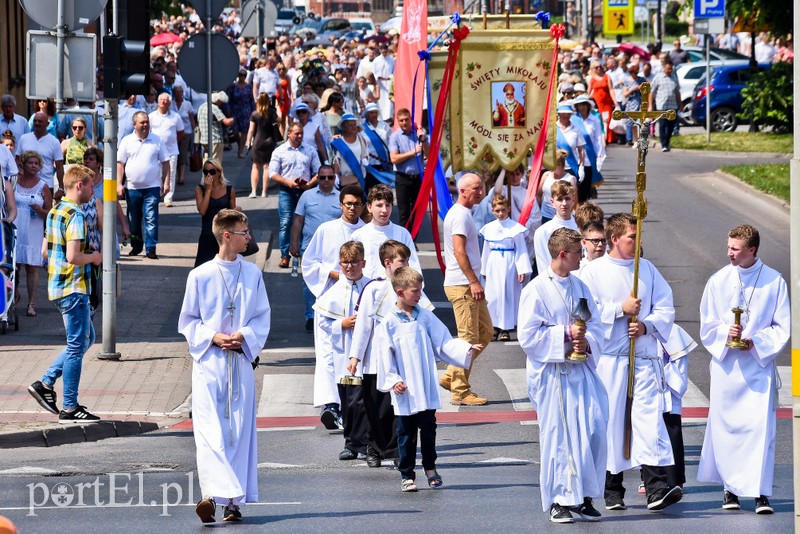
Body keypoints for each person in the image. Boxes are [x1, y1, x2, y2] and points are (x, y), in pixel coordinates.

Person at [579, 213, 682, 512]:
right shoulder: (594, 272)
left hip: (643, 360)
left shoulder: (647, 270)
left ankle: (657, 488)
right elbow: (584, 309)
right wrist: (618, 310)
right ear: (614, 238)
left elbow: (665, 306)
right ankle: (612, 490)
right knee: (612, 424)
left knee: (648, 422)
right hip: (610, 361)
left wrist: (647, 325)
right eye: (631, 236)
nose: (637, 241)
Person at [178, 209, 271, 524]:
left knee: (238, 431)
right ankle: (209, 495)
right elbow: (188, 321)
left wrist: (244, 335)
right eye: (245, 232)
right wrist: (213, 336)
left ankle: (232, 502)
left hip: (240, 361)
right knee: (210, 431)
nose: (249, 237)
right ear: (227, 235)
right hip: (209, 364)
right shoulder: (200, 275)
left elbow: (261, 316)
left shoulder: (253, 274)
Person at [697, 224, 790, 515]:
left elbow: (782, 326)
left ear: (752, 250)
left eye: (735, 249)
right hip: (727, 368)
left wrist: (756, 341)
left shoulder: (774, 282)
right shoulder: (718, 280)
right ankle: (730, 489)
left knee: (760, 431)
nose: (729, 254)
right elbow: (707, 324)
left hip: (757, 368)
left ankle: (761, 493)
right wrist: (728, 332)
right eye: (728, 247)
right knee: (727, 430)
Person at [518, 228, 608, 524]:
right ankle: (559, 500)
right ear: (562, 255)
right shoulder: (537, 289)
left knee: (593, 429)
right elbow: (528, 337)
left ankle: (582, 497)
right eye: (578, 252)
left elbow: (596, 326)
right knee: (560, 438)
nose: (583, 256)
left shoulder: (580, 285)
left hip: (581, 370)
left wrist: (587, 342)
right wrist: (565, 335)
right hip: (554, 373)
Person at [375, 267, 479, 492]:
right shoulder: (389, 323)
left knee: (429, 429)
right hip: (405, 388)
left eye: (420, 290)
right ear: (400, 292)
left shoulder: (424, 316)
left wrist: (466, 348)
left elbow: (442, 340)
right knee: (406, 434)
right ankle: (406, 474)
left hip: (425, 384)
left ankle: (430, 467)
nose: (419, 294)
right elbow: (384, 355)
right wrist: (393, 380)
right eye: (415, 291)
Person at [348, 240, 433, 468]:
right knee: (376, 408)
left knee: (399, 408)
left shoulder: (411, 288)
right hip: (375, 359)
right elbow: (364, 325)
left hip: (404, 360)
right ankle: (374, 447)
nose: (406, 264)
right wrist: (355, 356)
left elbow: (426, 319)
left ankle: (398, 450)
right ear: (388, 263)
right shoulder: (374, 289)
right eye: (402, 260)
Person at [27, 164, 102, 422]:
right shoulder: (76, 214)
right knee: (76, 345)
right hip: (73, 287)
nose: (93, 190)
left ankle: (46, 383)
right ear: (79, 185)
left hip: (57, 286)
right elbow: (73, 256)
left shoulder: (55, 210)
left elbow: (45, 252)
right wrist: (94, 256)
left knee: (86, 339)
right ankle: (70, 406)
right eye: (91, 185)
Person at [303, 185, 365, 428]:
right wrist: (333, 274)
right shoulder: (326, 229)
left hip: (360, 300)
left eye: (356, 204)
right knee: (328, 355)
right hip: (331, 300)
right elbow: (309, 264)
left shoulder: (367, 232)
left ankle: (357, 405)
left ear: (363, 206)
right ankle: (331, 405)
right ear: (340, 205)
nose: (352, 208)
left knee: (356, 353)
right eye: (348, 203)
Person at [313, 241, 370, 461]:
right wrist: (342, 324)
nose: (349, 267)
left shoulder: (371, 287)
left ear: (363, 263)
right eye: (345, 262)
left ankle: (368, 442)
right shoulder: (334, 292)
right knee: (349, 399)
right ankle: (351, 442)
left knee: (366, 399)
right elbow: (324, 323)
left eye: (354, 262)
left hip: (366, 352)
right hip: (344, 351)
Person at [440, 173, 493, 406]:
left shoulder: (463, 213)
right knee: (468, 338)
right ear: (462, 191)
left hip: (467, 282)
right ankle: (460, 390)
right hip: (462, 284)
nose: (480, 192)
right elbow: (459, 252)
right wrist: (473, 280)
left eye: (481, 187)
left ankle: (451, 375)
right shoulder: (460, 216)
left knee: (485, 332)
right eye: (475, 188)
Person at [289, 164, 341, 329]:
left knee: (332, 281)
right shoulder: (307, 196)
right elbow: (298, 221)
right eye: (323, 177)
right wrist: (293, 243)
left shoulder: (341, 198)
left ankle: (330, 312)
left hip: (334, 249)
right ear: (317, 178)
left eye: (330, 177)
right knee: (309, 281)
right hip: (309, 247)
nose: (326, 180)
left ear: (334, 178)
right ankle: (311, 316)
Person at [117, 111, 170, 260]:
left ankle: (151, 248)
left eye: (147, 122)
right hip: (132, 188)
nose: (146, 125)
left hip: (152, 187)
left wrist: (166, 182)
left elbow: (166, 162)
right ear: (135, 124)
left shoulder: (157, 140)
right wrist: (119, 184)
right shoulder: (127, 141)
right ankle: (136, 245)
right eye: (142, 122)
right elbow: (120, 163)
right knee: (133, 219)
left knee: (151, 217)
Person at [268, 122, 320, 268]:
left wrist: (309, 184)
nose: (299, 136)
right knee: (286, 223)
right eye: (296, 133)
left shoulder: (310, 150)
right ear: (289, 133)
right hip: (287, 191)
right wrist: (287, 182)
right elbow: (272, 173)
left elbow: (318, 171)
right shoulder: (279, 151)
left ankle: (304, 254)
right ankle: (285, 256)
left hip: (305, 191)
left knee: (305, 223)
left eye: (301, 133)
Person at [479, 195, 531, 341]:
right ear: (493, 211)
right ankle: (494, 326)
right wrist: (484, 269)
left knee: (507, 295)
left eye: (503, 210)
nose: (500, 213)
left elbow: (521, 249)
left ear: (508, 209)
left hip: (509, 263)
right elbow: (486, 250)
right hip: (494, 263)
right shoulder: (489, 228)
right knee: (493, 296)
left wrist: (521, 269)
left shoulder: (515, 228)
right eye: (497, 210)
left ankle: (506, 328)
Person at [350, 184, 421, 281]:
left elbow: (413, 265)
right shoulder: (359, 235)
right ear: (369, 207)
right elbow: (351, 267)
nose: (384, 210)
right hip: (367, 289)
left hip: (397, 289)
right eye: (379, 205)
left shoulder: (402, 233)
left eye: (388, 205)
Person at [13, 151, 52, 317]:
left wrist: (41, 210)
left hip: (33, 228)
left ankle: (31, 304)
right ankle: (12, 297)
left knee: (32, 267)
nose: (33, 166)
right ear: (23, 163)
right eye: (30, 162)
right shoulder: (14, 182)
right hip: (15, 227)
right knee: (13, 266)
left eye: (37, 163)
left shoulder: (42, 186)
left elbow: (51, 212)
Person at [194, 159, 239, 267]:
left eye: (212, 172)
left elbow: (233, 215)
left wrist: (237, 210)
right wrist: (208, 190)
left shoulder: (229, 190)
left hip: (224, 236)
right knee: (203, 268)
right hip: (207, 234)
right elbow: (202, 211)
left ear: (219, 173)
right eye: (206, 172)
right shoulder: (200, 189)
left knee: (225, 267)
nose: (209, 175)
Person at [389, 108, 428, 228]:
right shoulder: (395, 137)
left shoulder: (418, 134)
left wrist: (424, 140)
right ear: (398, 121)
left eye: (406, 119)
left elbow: (430, 154)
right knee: (404, 213)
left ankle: (412, 239)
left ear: (411, 120)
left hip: (418, 178)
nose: (404, 123)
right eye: (401, 120)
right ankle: (405, 241)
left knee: (417, 212)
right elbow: (394, 159)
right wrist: (412, 153)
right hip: (403, 178)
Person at [533, 181, 579, 275]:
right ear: (552, 202)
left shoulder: (580, 228)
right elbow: (543, 265)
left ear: (573, 201)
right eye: (560, 199)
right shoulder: (542, 232)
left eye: (567, 199)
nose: (564, 203)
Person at [149, 93, 185, 208]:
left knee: (171, 173)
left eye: (166, 100)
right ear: (158, 101)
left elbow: (181, 132)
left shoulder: (175, 116)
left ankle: (168, 197)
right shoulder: (151, 116)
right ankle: (158, 194)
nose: (163, 102)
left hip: (171, 150)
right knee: (156, 173)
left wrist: (171, 140)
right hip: (155, 150)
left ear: (169, 103)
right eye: (161, 100)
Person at [17, 112, 64, 193]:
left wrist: (61, 188)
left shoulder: (54, 142)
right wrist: (20, 171)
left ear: (47, 124)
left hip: (47, 184)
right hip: (26, 184)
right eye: (35, 121)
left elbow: (59, 166)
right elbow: (17, 159)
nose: (37, 123)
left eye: (40, 121)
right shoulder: (24, 138)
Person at [245, 93, 280, 198]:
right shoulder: (272, 113)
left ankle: (254, 191)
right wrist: (275, 107)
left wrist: (248, 142)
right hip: (270, 141)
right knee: (266, 166)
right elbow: (280, 120)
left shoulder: (255, 114)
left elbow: (251, 130)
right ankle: (264, 191)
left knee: (255, 166)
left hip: (258, 141)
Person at [571, 95, 605, 203]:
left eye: (584, 104)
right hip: (575, 156)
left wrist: (600, 155)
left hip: (589, 156)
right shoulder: (572, 119)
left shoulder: (594, 120)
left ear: (588, 106)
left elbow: (598, 138)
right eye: (579, 105)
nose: (582, 107)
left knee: (585, 185)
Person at [648, 60, 681, 153]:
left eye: (671, 69)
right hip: (661, 106)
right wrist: (650, 105)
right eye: (668, 69)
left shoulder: (674, 77)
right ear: (664, 68)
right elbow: (652, 92)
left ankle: (667, 141)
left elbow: (677, 92)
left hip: (673, 106)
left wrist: (680, 104)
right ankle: (664, 144)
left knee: (671, 126)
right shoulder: (658, 78)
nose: (670, 70)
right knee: (662, 125)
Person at [538, 150, 577, 226]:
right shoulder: (546, 175)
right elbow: (538, 195)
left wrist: (565, 213)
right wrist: (538, 210)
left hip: (563, 218)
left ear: (560, 164)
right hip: (546, 215)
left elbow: (574, 202)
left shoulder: (570, 179)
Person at [331, 113, 369, 189]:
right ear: (344, 127)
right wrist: (335, 174)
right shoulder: (338, 143)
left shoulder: (362, 140)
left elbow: (365, 155)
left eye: (354, 125)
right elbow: (336, 161)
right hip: (345, 180)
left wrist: (364, 160)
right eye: (350, 125)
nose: (353, 127)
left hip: (359, 177)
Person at [361, 103, 392, 191]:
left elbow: (391, 142)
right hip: (370, 164)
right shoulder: (362, 128)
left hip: (384, 163)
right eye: (371, 113)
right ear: (367, 114)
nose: (374, 115)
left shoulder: (385, 125)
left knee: (384, 189)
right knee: (372, 190)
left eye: (375, 112)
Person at [197, 92, 234, 163]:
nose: (221, 104)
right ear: (218, 100)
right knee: (215, 163)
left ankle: (206, 174)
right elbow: (226, 121)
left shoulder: (202, 107)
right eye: (221, 102)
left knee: (206, 162)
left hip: (204, 140)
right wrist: (235, 118)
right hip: (215, 139)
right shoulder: (214, 108)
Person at [555, 103, 586, 189]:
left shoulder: (576, 129)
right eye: (563, 113)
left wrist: (582, 167)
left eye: (568, 113)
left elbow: (581, 149)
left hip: (571, 167)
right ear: (559, 114)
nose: (566, 116)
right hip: (555, 167)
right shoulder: (552, 129)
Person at [228, 68, 256, 159]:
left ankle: (240, 151)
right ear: (238, 76)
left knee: (244, 131)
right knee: (235, 131)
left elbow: (251, 99)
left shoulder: (248, 87)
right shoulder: (233, 87)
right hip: (235, 110)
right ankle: (240, 143)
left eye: (244, 75)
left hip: (246, 110)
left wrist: (254, 111)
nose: (242, 77)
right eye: (241, 75)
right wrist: (228, 109)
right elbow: (230, 99)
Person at [587, 61, 616, 143]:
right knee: (598, 119)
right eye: (596, 67)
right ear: (593, 69)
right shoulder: (592, 79)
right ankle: (600, 137)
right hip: (597, 103)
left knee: (607, 119)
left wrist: (614, 100)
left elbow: (611, 89)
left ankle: (608, 138)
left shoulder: (607, 77)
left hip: (606, 102)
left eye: (600, 66)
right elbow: (588, 91)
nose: (599, 68)